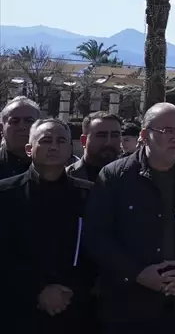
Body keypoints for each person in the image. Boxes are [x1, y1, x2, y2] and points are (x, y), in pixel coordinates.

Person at [84, 102, 175, 333]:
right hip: (128, 307)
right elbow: (97, 235)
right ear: (145, 135)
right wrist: (138, 273)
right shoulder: (115, 176)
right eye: (167, 131)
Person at [0, 118, 95, 332]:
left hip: (75, 307)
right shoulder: (6, 194)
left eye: (61, 141)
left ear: (71, 148)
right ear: (29, 149)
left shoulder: (89, 195)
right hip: (17, 309)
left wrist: (70, 290)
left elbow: (97, 248)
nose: (53, 146)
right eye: (45, 141)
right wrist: (37, 290)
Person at [67, 110, 123, 182]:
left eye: (115, 135)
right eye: (101, 136)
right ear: (84, 140)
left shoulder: (131, 178)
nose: (109, 142)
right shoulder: (67, 177)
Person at [0, 95, 38, 179]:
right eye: (15, 121)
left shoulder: (50, 167)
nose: (22, 126)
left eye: (29, 121)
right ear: (1, 128)